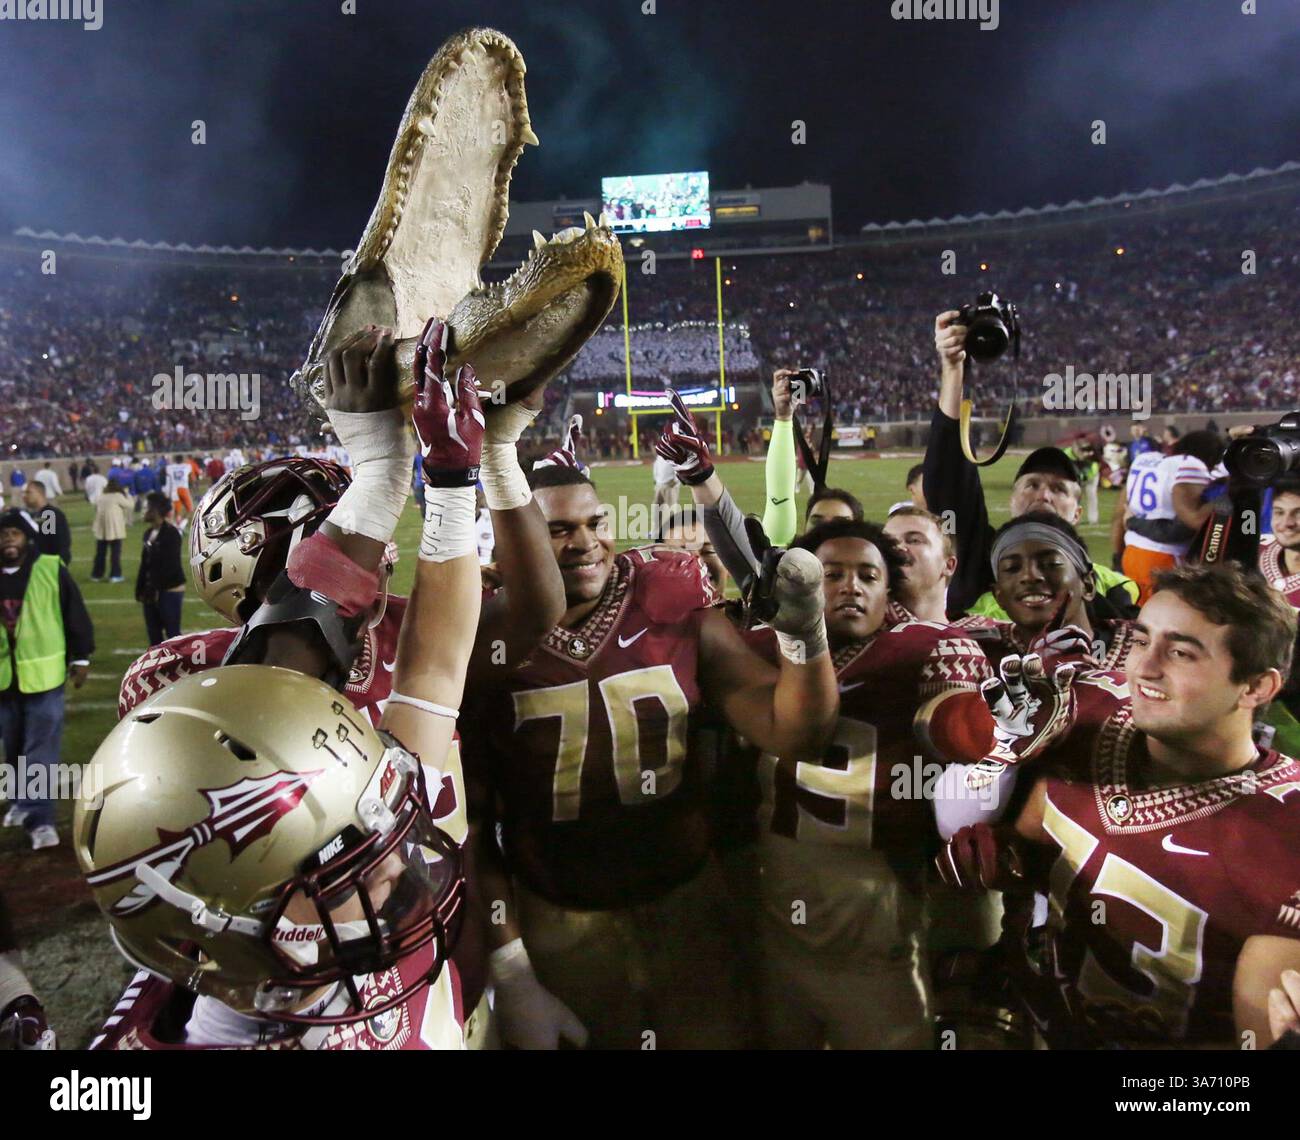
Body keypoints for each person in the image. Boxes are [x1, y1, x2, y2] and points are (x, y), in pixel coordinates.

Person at [114, 324, 567, 1049]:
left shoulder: (404, 632)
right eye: (352, 535)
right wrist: (388, 474)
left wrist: (476, 468)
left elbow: (497, 634)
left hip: (416, 947)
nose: (381, 554)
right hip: (313, 959)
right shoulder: (194, 688)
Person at [459, 463, 839, 1049]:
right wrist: (510, 967)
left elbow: (794, 734)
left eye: (595, 522)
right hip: (557, 915)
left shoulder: (670, 604)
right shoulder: (483, 640)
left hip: (687, 905)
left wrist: (804, 636)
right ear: (510, 541)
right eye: (558, 530)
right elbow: (472, 826)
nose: (585, 543)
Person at [937, 563, 1300, 1048]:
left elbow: (1264, 1026)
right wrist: (1003, 859)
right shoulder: (1082, 712)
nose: (1144, 668)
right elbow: (1029, 844)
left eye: (1181, 653)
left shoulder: (1285, 830)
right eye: (1143, 639)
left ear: (1256, 687)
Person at [744, 518, 994, 1049]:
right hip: (779, 894)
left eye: (867, 575)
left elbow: (967, 752)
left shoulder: (929, 649)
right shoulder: (765, 645)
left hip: (877, 911)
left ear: (889, 590)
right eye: (830, 575)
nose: (849, 586)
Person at [924, 310, 1139, 620]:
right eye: (1033, 485)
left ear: (1076, 513)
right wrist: (953, 369)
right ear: (1012, 503)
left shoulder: (1113, 588)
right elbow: (949, 479)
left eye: (1058, 489)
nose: (1044, 495)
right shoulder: (980, 560)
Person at [0, 508, 93, 851]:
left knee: (39, 752)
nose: (8, 538)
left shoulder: (50, 568)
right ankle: (19, 803)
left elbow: (75, 613)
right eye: (3, 533)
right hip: (4, 681)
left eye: (15, 532)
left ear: (27, 538)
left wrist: (81, 656)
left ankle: (40, 821)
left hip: (44, 678)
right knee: (13, 750)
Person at [1117, 429, 1223, 603]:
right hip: (1164, 558)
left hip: (1132, 553)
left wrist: (1117, 553)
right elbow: (1188, 524)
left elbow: (1119, 515)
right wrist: (1227, 496)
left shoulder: (1145, 459)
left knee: (1140, 618)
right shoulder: (1191, 465)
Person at [136, 492, 185, 646]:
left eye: (147, 507)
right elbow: (145, 563)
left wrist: (155, 588)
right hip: (152, 590)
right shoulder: (148, 533)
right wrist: (140, 588)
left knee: (172, 635)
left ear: (157, 510)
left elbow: (170, 566)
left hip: (169, 589)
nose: (144, 510)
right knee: (154, 634)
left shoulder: (171, 534)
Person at [90, 478, 132, 583]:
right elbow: (130, 505)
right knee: (115, 552)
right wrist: (128, 494)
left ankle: (97, 575)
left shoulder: (102, 496)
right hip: (114, 527)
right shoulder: (118, 496)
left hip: (102, 526)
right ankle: (115, 575)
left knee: (100, 552)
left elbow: (96, 507)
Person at [21, 482, 71, 566]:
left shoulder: (48, 514)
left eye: (28, 492)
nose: (25, 496)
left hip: (50, 563)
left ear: (39, 494)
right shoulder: (38, 514)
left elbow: (48, 545)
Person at [164, 453, 194, 525]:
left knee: (176, 509)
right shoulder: (187, 466)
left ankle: (178, 521)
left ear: (175, 460)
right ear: (183, 460)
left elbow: (167, 474)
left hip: (174, 489)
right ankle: (183, 522)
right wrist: (191, 486)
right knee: (190, 509)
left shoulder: (170, 467)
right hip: (184, 488)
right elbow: (190, 477)